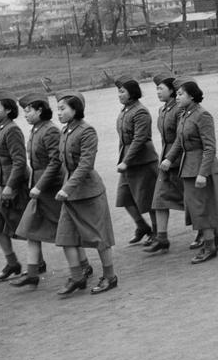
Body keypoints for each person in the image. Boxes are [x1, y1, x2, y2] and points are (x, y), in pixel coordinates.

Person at [11, 93, 92, 288]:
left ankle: (84, 266)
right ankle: (32, 272)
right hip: (39, 187)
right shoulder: (37, 129)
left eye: (28, 111)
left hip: (51, 187)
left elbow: (55, 162)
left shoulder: (50, 131)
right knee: (30, 227)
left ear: (40, 110)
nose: (25, 115)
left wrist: (39, 186)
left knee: (66, 230)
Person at [53, 91, 118, 295]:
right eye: (58, 109)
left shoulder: (87, 131)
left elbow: (85, 165)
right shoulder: (65, 131)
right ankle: (77, 277)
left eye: (63, 109)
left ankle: (110, 277)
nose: (59, 113)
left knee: (100, 238)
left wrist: (66, 188)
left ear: (76, 109)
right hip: (70, 193)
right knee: (66, 236)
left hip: (88, 193)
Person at [169, 81, 218, 263]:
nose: (177, 97)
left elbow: (210, 147)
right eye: (176, 94)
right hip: (189, 167)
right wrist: (169, 158)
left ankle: (209, 246)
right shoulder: (185, 114)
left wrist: (203, 173)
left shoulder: (202, 115)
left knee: (203, 209)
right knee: (197, 207)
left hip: (202, 168)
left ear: (191, 96)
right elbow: (179, 141)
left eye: (180, 94)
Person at [0, 91, 30, 281]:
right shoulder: (1, 127)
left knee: (23, 221)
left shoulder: (11, 129)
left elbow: (19, 161)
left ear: (8, 110)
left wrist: (11, 186)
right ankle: (12, 263)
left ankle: (36, 263)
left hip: (15, 182)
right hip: (5, 182)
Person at [113, 75, 159, 245]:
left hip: (143, 162)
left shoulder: (140, 111)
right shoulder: (125, 110)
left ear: (131, 93)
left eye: (122, 91)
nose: (119, 95)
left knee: (149, 199)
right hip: (128, 161)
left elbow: (139, 139)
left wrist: (126, 161)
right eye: (118, 91)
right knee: (123, 197)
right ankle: (142, 226)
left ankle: (156, 232)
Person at [144, 74, 183, 254]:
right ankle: (162, 238)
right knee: (159, 198)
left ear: (172, 91)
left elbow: (180, 137)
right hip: (166, 160)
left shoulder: (179, 109)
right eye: (157, 88)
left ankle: (205, 232)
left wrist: (171, 158)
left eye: (161, 88)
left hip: (180, 160)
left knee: (190, 199)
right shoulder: (163, 110)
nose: (158, 92)